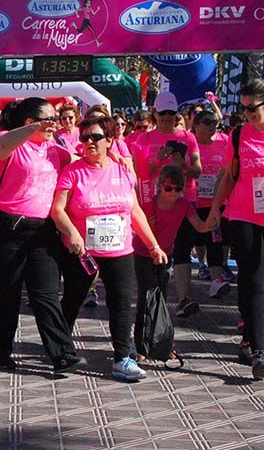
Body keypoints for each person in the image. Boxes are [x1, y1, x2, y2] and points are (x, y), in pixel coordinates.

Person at [51, 116, 167, 382]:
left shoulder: (122, 170)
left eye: (95, 137)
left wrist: (153, 245)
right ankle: (60, 349)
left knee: (121, 302)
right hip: (83, 251)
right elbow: (57, 210)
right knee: (73, 298)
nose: (89, 142)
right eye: (85, 138)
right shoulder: (73, 172)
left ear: (110, 140)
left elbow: (135, 210)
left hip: (119, 250)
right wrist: (72, 233)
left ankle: (122, 358)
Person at [0, 98, 85, 374]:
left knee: (46, 293)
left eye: (55, 119)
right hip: (8, 229)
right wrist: (35, 128)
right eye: (49, 120)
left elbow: (80, 163)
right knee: (5, 293)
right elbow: (0, 146)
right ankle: (0, 352)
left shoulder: (56, 149)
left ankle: (63, 354)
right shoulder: (10, 143)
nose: (55, 125)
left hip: (43, 232)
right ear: (30, 122)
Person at [208, 78, 264, 379]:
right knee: (253, 279)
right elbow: (229, 176)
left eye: (252, 108)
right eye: (244, 109)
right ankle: (258, 348)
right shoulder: (239, 134)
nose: (248, 114)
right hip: (244, 215)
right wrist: (216, 208)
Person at [130, 91, 202, 317]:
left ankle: (183, 298)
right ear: (155, 113)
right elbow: (139, 172)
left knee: (182, 248)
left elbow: (197, 171)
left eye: (171, 113)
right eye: (162, 113)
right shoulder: (144, 139)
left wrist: (184, 165)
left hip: (182, 202)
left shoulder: (188, 138)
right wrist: (159, 158)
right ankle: (152, 300)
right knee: (154, 250)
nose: (167, 118)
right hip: (153, 204)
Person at [133, 164, 211, 365]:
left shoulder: (184, 205)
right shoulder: (150, 204)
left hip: (166, 255)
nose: (173, 193)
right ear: (160, 186)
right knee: (146, 298)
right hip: (144, 253)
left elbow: (200, 226)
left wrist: (215, 216)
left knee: (162, 299)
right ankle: (141, 346)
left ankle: (163, 344)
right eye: (169, 188)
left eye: (178, 189)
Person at [173, 110, 232, 305]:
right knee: (187, 243)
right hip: (191, 202)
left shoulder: (224, 141)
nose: (212, 126)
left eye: (214, 122)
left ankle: (216, 281)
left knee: (215, 242)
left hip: (215, 203)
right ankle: (184, 293)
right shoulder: (188, 143)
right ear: (196, 125)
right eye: (207, 122)